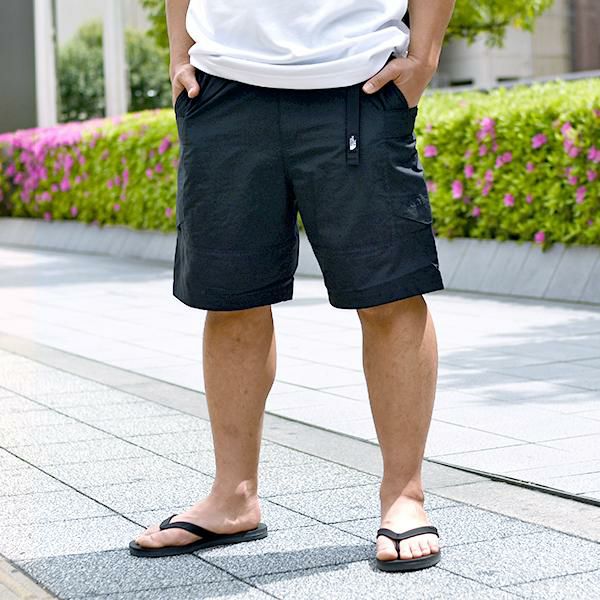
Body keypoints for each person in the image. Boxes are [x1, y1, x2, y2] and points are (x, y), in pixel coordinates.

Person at [129, 0, 455, 572]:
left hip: (357, 81)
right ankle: (233, 497)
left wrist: (424, 56)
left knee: (390, 292)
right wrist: (181, 54)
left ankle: (405, 495)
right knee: (231, 297)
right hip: (223, 87)